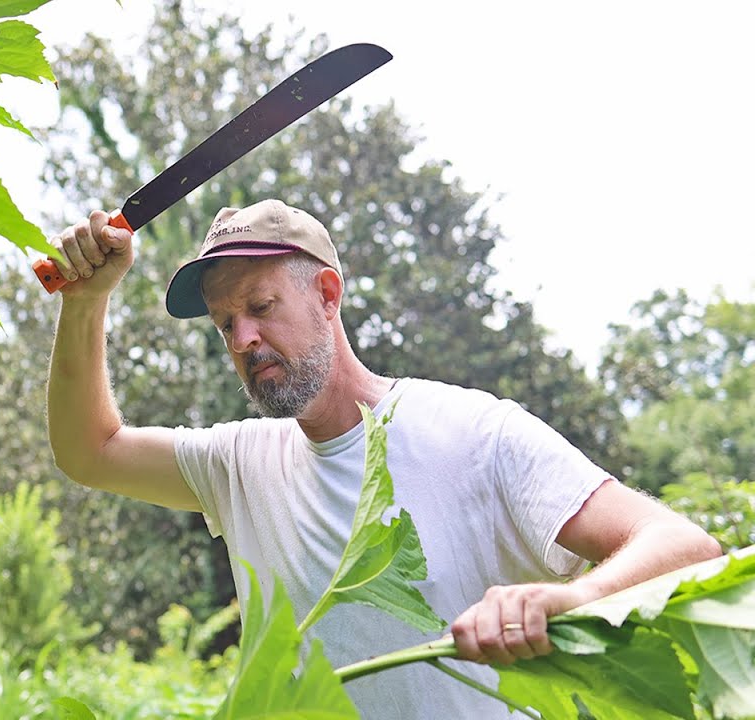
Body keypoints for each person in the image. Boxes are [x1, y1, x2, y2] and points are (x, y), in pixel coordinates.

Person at [45, 198, 721, 718]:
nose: (244, 339)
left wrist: (573, 598)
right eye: (226, 324)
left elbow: (685, 545)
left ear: (328, 295)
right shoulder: (240, 465)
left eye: (260, 306)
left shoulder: (475, 435)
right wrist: (86, 301)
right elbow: (90, 451)